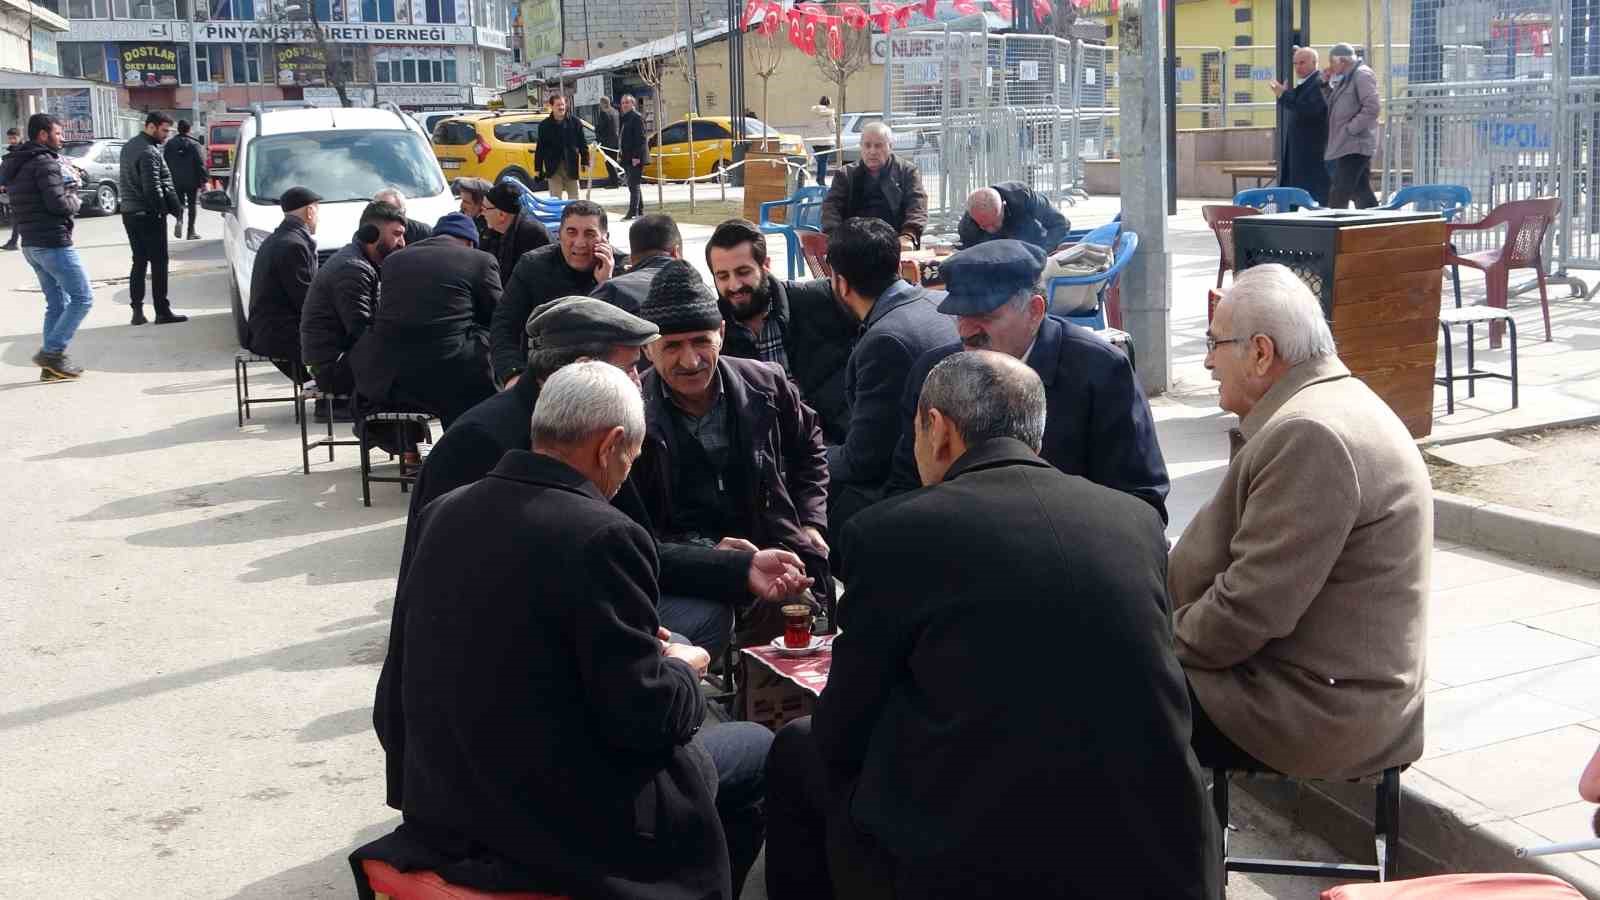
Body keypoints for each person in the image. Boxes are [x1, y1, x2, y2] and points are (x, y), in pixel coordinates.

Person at [764, 350, 1221, 900]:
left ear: (937, 430)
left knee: (798, 749)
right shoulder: (1134, 520)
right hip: (1159, 847)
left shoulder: (891, 535)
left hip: (975, 858)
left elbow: (844, 729)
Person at [357, 361, 774, 900]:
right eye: (633, 455)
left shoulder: (444, 510)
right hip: (551, 822)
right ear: (611, 444)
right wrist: (682, 668)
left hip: (445, 800)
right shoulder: (603, 533)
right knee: (758, 746)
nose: (629, 471)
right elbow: (644, 718)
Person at [383, 297, 813, 726]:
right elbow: (467, 609)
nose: (639, 381)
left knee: (696, 627)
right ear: (584, 370)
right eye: (628, 369)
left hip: (565, 633)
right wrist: (646, 653)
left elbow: (636, 546)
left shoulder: (593, 432)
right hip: (498, 691)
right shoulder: (479, 443)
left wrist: (739, 568)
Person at [1172, 264, 1430, 780]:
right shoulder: (1323, 407)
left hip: (1315, 709)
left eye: (1213, 343)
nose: (1206, 362)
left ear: (1261, 352)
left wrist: (1154, 641)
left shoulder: (1312, 434)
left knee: (1102, 690)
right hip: (1309, 686)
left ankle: (1156, 859)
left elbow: (1247, 610)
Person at [887, 239, 1170, 521]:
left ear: (1034, 311)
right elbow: (904, 484)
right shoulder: (935, 371)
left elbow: (1141, 498)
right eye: (959, 315)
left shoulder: (1100, 371)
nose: (965, 331)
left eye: (984, 316)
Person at [631, 260, 833, 654]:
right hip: (677, 562)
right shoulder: (630, 409)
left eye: (700, 341)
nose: (690, 361)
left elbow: (810, 447)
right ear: (647, 349)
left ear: (721, 333)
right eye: (672, 346)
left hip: (769, 542)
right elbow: (635, 533)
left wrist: (811, 520)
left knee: (800, 608)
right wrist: (708, 559)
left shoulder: (767, 384)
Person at [825, 217, 956, 538]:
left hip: (911, 495)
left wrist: (806, 453)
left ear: (841, 284)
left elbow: (863, 461)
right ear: (897, 265)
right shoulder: (939, 302)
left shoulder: (884, 342)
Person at [705, 218, 857, 443]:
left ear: (765, 264)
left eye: (743, 272)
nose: (735, 285)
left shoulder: (818, 300)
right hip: (765, 455)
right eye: (723, 276)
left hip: (833, 442)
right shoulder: (712, 332)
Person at [349, 212, 500, 430]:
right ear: (469, 242)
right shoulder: (480, 260)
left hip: (394, 375)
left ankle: (410, 448)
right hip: (454, 373)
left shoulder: (393, 261)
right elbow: (497, 314)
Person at [300, 199, 407, 423]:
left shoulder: (360, 262)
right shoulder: (352, 269)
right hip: (333, 369)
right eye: (396, 234)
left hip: (337, 361)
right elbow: (362, 332)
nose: (402, 243)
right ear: (372, 233)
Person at [5, 113, 92, 381]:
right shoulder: (44, 163)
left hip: (31, 243)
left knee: (56, 303)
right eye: (58, 133)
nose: (62, 138)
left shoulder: (18, 162)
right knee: (82, 298)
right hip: (52, 242)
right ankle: (52, 353)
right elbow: (58, 204)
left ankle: (50, 369)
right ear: (43, 135)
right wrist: (75, 200)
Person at [492, 199, 614, 386]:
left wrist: (607, 286)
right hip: (543, 376)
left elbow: (628, 335)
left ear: (605, 239)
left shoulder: (620, 270)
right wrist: (512, 374)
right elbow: (504, 326)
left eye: (590, 234)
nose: (579, 243)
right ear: (559, 235)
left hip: (604, 378)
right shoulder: (533, 266)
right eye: (571, 232)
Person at [246, 187, 320, 386]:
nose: (317, 218)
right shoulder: (292, 245)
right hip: (280, 334)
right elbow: (305, 298)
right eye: (316, 211)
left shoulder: (281, 239)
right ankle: (331, 398)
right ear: (310, 212)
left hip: (272, 329)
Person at [119, 111, 187, 326]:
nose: (166, 135)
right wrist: (164, 211)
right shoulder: (149, 151)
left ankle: (137, 311)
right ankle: (162, 310)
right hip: (148, 214)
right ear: (150, 127)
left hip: (129, 213)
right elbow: (154, 187)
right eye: (164, 130)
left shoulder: (129, 146)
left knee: (139, 261)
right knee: (159, 263)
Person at [820, 122, 927, 250]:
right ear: (861, 147)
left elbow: (917, 207)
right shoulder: (845, 175)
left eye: (878, 146)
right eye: (867, 145)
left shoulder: (907, 172)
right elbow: (831, 210)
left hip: (895, 242)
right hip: (854, 245)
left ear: (890, 146)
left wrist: (908, 235)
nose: (872, 151)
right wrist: (835, 238)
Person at [1270, 47, 1331, 205]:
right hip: (1301, 149)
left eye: (1302, 63)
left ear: (1314, 63)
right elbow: (1299, 103)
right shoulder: (1306, 83)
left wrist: (1283, 95)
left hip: (1312, 150)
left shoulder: (1317, 83)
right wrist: (1285, 94)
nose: (1298, 67)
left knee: (1315, 194)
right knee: (1295, 192)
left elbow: (1309, 109)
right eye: (1295, 63)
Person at [1325, 42, 1381, 210]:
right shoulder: (1349, 77)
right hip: (1349, 143)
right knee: (1360, 191)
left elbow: (1372, 107)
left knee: (1340, 191)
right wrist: (1324, 85)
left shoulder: (1361, 75)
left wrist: (1351, 129)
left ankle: (1332, 228)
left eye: (1332, 62)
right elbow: (1336, 104)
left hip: (1355, 144)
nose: (1331, 67)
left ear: (1341, 60)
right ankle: (1376, 227)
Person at [589, 213, 680, 315]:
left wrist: (605, 284)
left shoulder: (612, 292)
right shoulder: (696, 287)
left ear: (631, 258)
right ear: (675, 253)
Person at [956, 182, 1071, 253]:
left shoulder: (1022, 196)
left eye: (994, 223)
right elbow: (971, 257)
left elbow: (1060, 224)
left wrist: (1042, 251)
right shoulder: (967, 227)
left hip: (1034, 248)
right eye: (984, 226)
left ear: (1004, 206)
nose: (990, 229)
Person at [480, 180, 551, 290]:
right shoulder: (493, 230)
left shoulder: (532, 235)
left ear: (502, 215)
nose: (482, 212)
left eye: (485, 208)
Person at [536, 94, 589, 201]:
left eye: (563, 104)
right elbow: (540, 148)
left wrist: (584, 161)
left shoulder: (575, 122)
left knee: (574, 199)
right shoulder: (544, 125)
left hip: (571, 165)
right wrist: (538, 168)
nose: (561, 107)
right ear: (551, 106)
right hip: (553, 168)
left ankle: (574, 217)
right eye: (558, 105)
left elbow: (583, 143)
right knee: (555, 200)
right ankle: (558, 218)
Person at [163, 119, 207, 240]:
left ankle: (179, 220)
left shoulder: (170, 144)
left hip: (175, 180)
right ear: (189, 129)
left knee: (180, 203)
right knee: (192, 205)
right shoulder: (195, 144)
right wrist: (204, 181)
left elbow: (164, 163)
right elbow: (200, 164)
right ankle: (190, 231)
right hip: (192, 180)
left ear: (178, 129)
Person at [619, 94, 648, 220]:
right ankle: (640, 210)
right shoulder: (625, 118)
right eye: (623, 103)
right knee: (633, 184)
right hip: (626, 156)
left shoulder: (637, 118)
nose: (624, 105)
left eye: (627, 102)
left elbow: (641, 139)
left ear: (633, 104)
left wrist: (636, 157)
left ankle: (632, 212)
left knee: (633, 184)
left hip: (636, 157)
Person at [451, 175, 495, 247]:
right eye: (461, 200)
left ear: (482, 205)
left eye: (466, 202)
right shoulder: (459, 218)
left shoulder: (494, 227)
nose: (461, 206)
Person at [2, 126, 22, 252]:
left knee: (18, 215)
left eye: (14, 138)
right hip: (13, 187)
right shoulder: (11, 152)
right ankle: (13, 241)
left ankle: (14, 241)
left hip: (19, 187)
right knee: (17, 215)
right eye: (10, 138)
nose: (12, 141)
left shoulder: (21, 152)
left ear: (20, 137)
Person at [595, 95, 621, 188]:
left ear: (603, 103)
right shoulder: (615, 112)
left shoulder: (604, 113)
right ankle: (615, 180)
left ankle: (614, 182)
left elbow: (600, 127)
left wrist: (597, 135)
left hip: (606, 142)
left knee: (609, 163)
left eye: (600, 103)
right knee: (613, 162)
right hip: (615, 142)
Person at [808, 96, 835, 186]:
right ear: (828, 103)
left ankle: (819, 179)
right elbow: (833, 129)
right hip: (825, 140)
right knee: (823, 161)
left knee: (820, 160)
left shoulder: (813, 112)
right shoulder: (829, 114)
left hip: (815, 140)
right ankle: (821, 180)